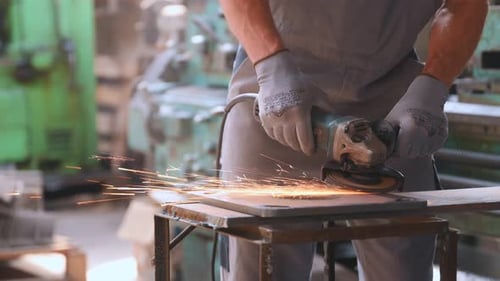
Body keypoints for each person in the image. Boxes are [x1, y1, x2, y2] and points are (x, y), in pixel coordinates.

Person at [218, 0, 488, 280]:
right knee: (261, 268)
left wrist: (433, 86)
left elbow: (465, 4)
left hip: (393, 111)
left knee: (403, 269)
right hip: (277, 96)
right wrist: (271, 67)